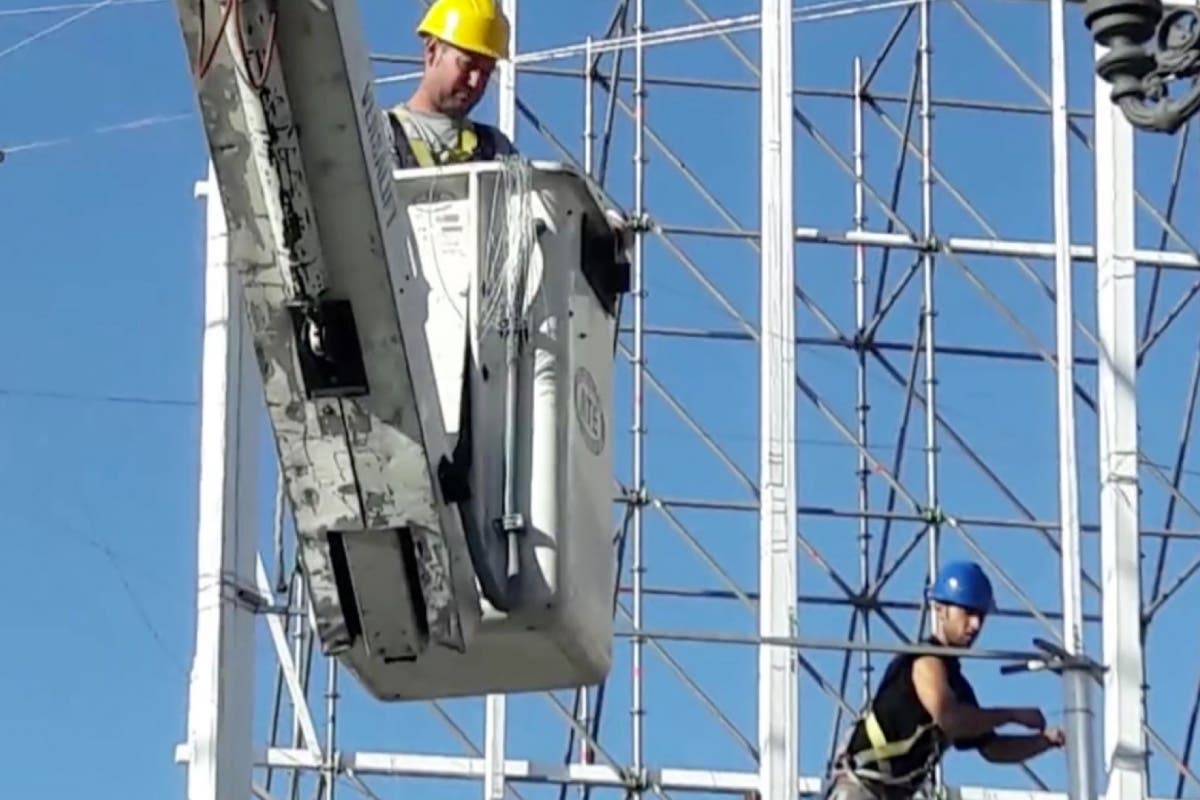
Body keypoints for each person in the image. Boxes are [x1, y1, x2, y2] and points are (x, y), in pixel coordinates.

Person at [826, 560, 1066, 800]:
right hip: (860, 789)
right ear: (941, 609)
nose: (975, 624)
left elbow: (993, 749)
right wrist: (1011, 715)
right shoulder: (925, 660)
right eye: (968, 612)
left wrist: (1043, 742)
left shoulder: (957, 688)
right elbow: (949, 718)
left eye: (981, 616)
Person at [388, 0, 517, 169]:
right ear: (432, 50)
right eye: (466, 65)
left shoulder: (496, 149)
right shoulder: (384, 134)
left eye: (486, 72)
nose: (475, 82)